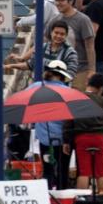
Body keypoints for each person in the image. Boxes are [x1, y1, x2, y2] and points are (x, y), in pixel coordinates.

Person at [63, 73, 103, 192]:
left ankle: (82, 199)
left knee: (84, 172)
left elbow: (68, 121)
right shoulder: (100, 99)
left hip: (82, 137)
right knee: (101, 172)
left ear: (88, 84)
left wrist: (66, 141)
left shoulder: (76, 99)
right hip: (99, 137)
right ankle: (102, 199)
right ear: (101, 88)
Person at [47, 0, 95, 89]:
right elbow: (45, 42)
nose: (58, 3)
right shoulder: (55, 20)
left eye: (62, 0)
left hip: (80, 70)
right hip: (58, 71)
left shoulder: (83, 20)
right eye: (57, 0)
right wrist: (23, 58)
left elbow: (90, 47)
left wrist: (91, 71)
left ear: (71, 1)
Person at [35, 61, 73, 189]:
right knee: (63, 171)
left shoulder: (36, 88)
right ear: (62, 76)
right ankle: (63, 198)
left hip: (45, 138)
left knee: (47, 170)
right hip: (64, 139)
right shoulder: (68, 92)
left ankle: (48, 198)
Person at [8, 19, 78, 79]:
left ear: (66, 35)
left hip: (59, 89)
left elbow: (71, 74)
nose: (58, 36)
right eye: (56, 33)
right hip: (38, 87)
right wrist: (12, 66)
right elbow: (31, 65)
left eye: (62, 34)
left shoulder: (70, 53)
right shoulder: (41, 47)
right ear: (51, 33)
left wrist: (51, 77)